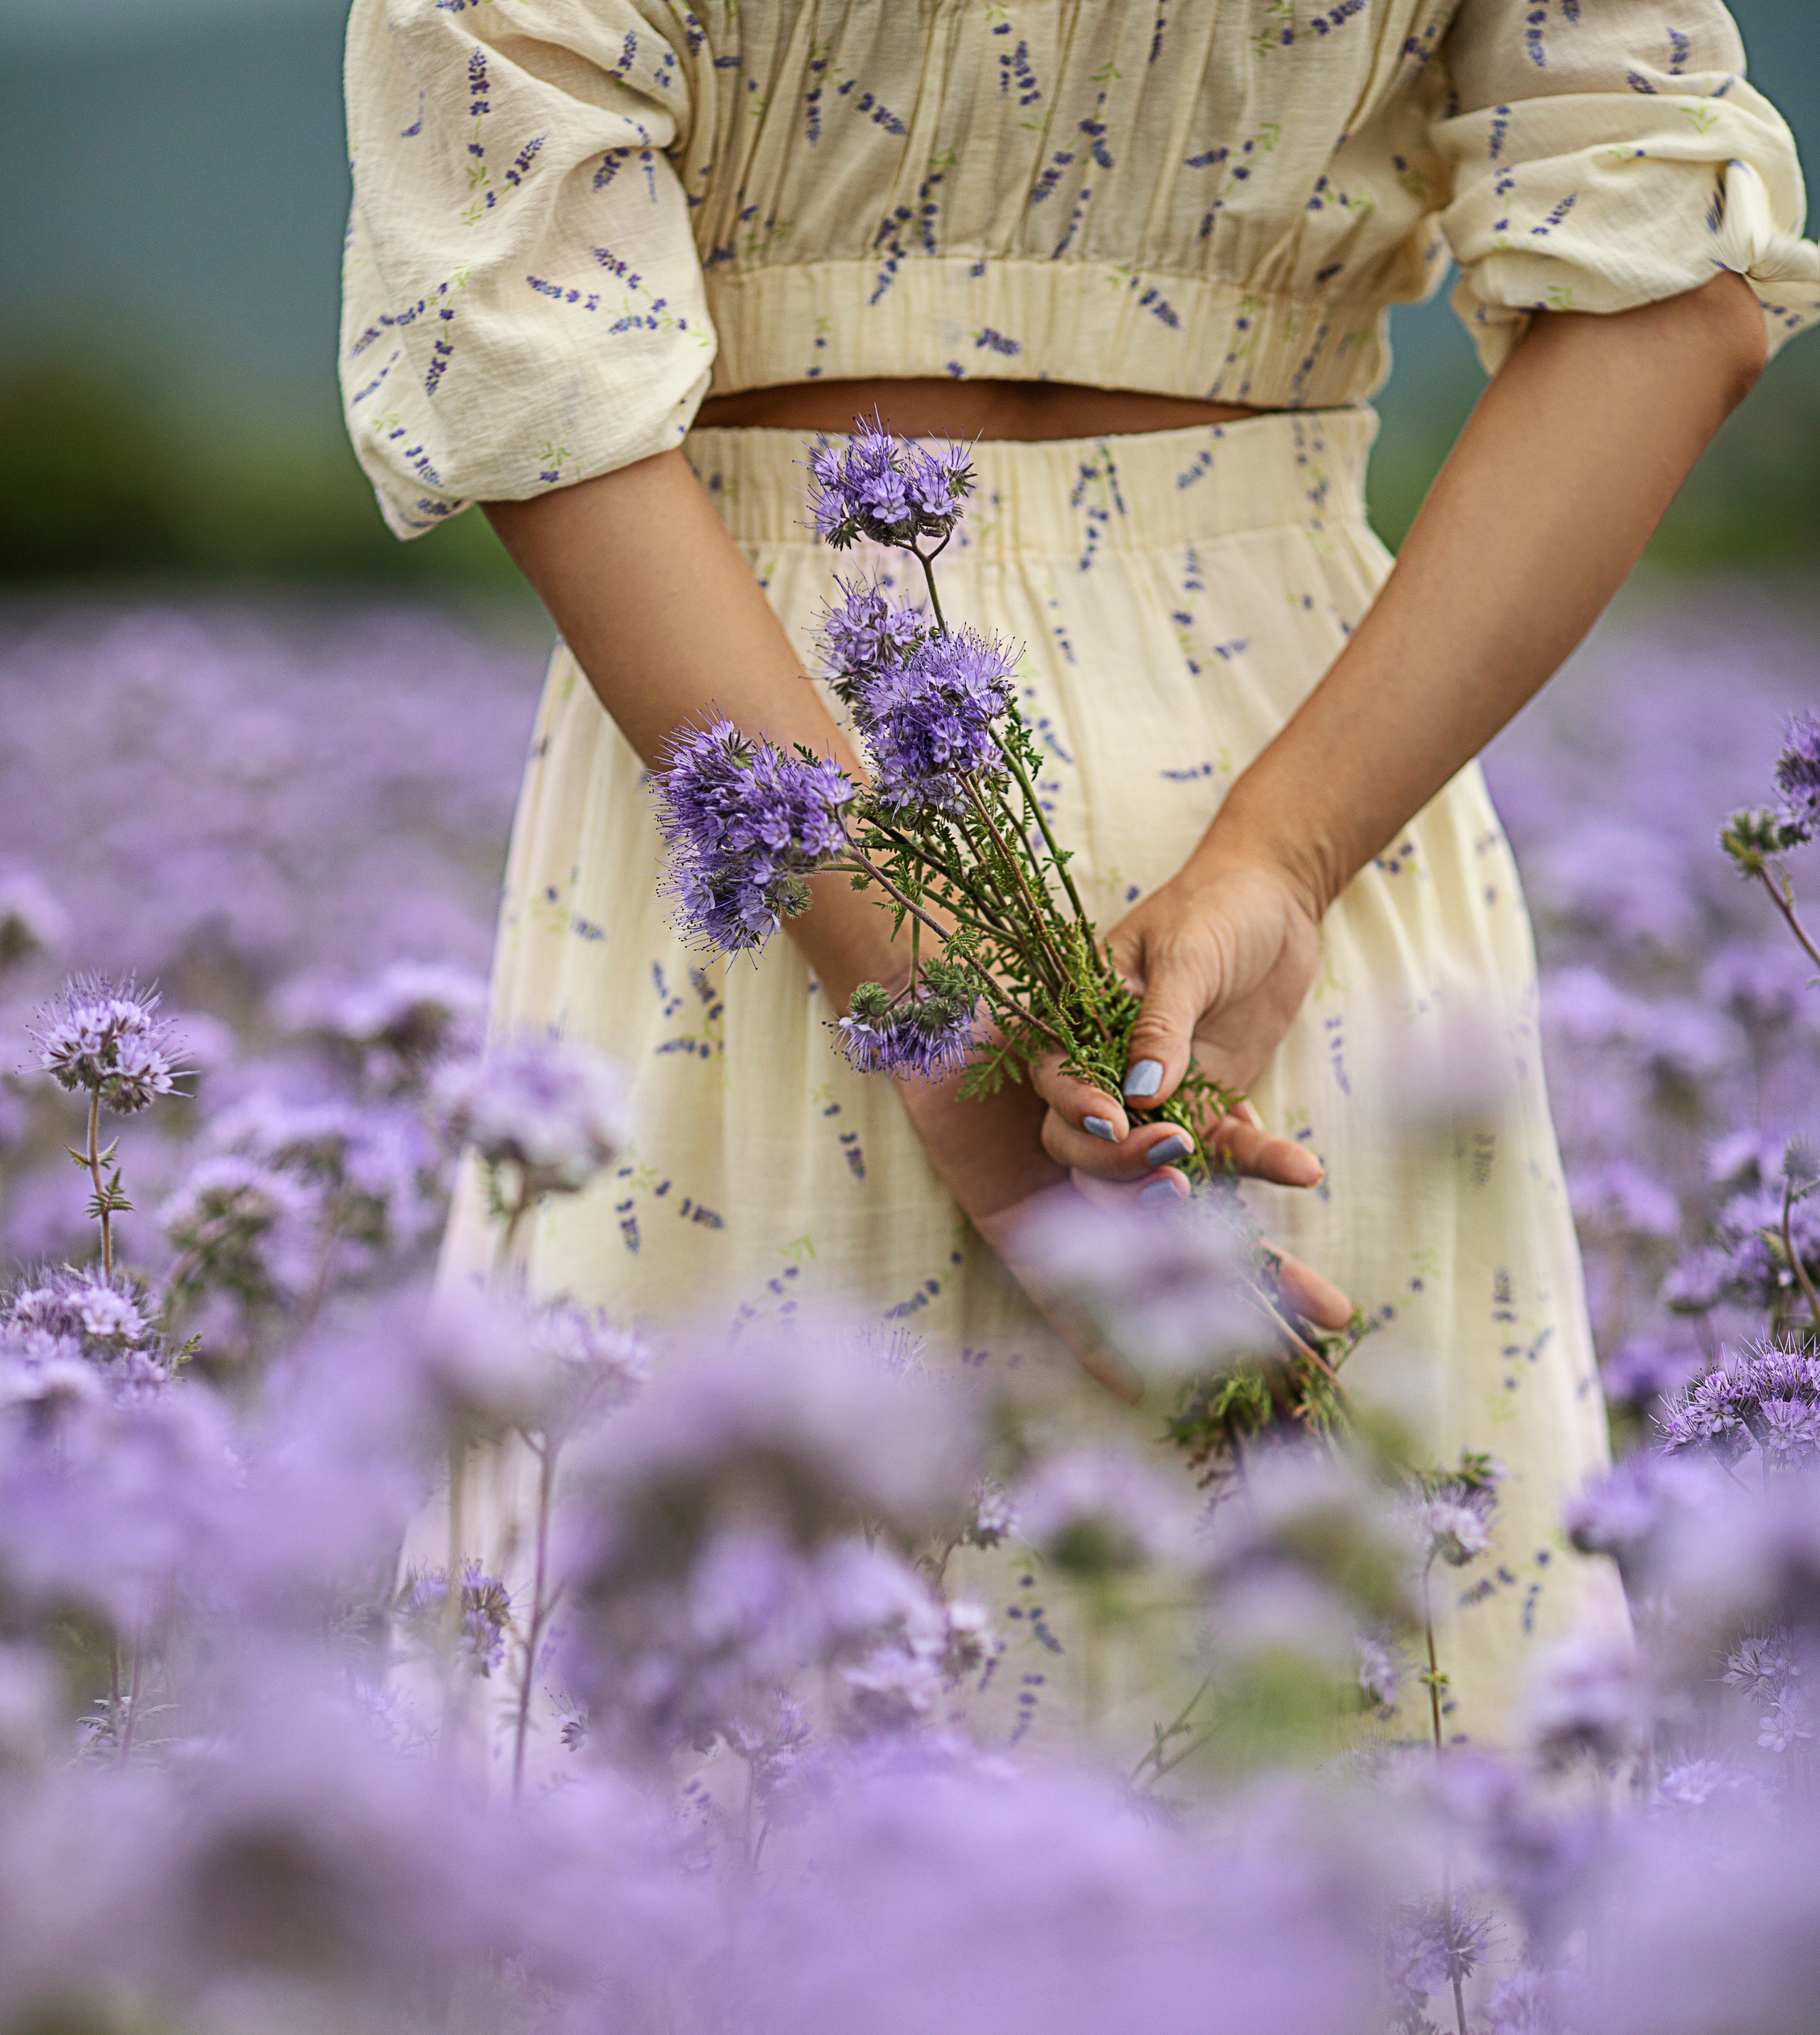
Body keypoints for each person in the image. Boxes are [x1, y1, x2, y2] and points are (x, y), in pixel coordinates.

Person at [341, 1, 1818, 1744]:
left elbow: (520, 329)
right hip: (1314, 789)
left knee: (726, 1810)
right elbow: (1675, 286)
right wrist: (1290, 847)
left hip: (757, 805)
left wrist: (938, 1018)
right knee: (1365, 1788)